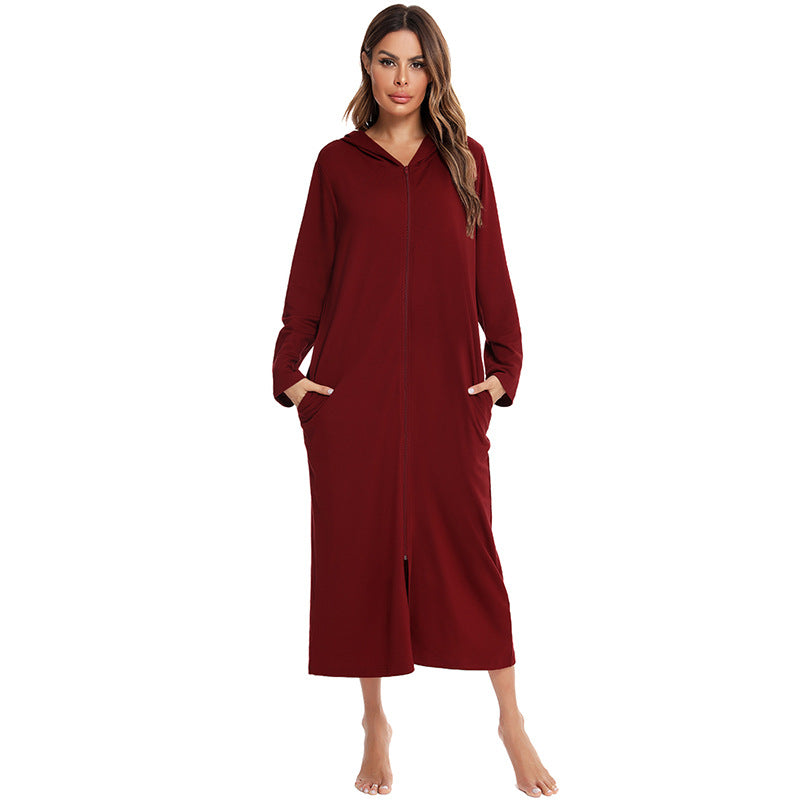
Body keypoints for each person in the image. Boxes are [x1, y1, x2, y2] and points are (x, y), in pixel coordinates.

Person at [272, 5, 558, 797]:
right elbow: (309, 277)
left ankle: (511, 720)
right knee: (362, 552)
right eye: (389, 61)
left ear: (436, 72)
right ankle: (374, 722)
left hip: (446, 393)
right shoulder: (337, 165)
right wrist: (289, 370)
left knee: (469, 549)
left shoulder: (466, 160)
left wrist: (505, 367)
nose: (403, 79)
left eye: (418, 63)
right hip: (353, 394)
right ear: (367, 65)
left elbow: (492, 272)